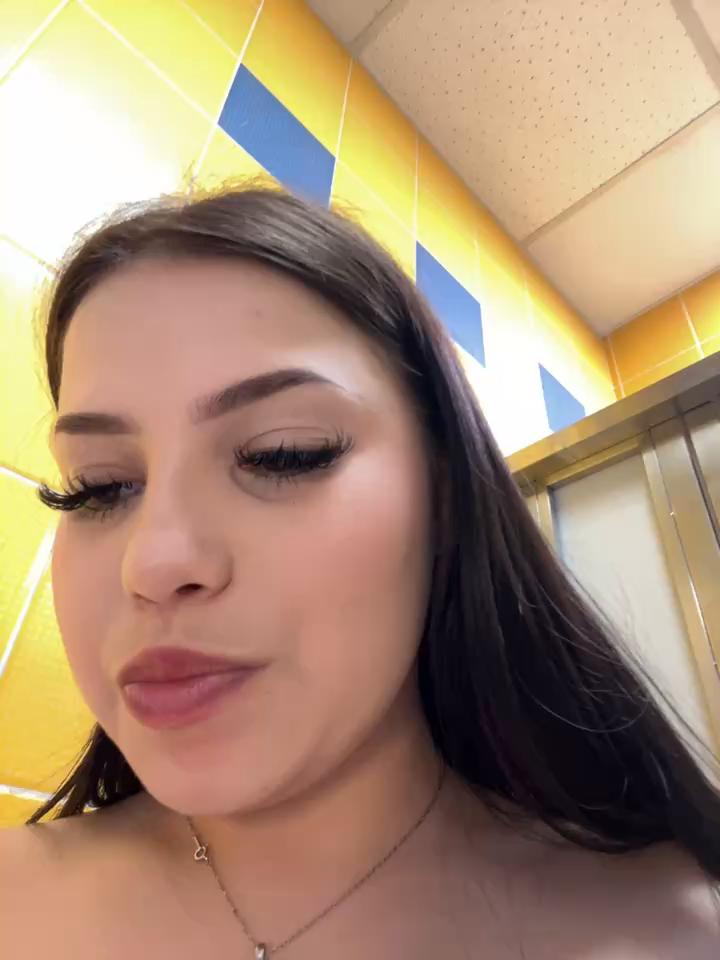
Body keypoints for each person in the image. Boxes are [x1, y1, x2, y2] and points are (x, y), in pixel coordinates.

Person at [1, 184, 718, 958]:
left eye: (285, 454)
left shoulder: (671, 926)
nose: (153, 562)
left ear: (445, 498)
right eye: (98, 487)